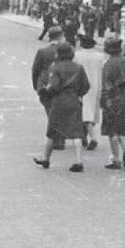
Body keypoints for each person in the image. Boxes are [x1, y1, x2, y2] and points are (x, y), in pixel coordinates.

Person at [33, 43, 91, 172]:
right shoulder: (79, 68)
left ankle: (46, 158)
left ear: (58, 54)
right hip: (74, 100)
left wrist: (46, 92)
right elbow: (86, 86)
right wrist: (78, 94)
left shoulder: (55, 67)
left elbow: (53, 86)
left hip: (59, 101)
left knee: (53, 130)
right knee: (76, 131)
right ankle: (78, 161)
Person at [99, 37, 125, 169]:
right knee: (120, 127)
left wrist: (103, 101)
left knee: (111, 130)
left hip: (112, 97)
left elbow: (106, 85)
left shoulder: (108, 65)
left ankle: (115, 158)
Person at [32, 27, 66, 150]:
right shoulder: (67, 50)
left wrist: (36, 85)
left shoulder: (42, 51)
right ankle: (60, 138)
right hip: (62, 85)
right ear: (60, 36)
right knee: (61, 112)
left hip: (46, 85)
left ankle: (56, 139)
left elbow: (35, 70)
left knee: (50, 112)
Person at [74, 34, 103, 151]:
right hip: (96, 86)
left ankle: (92, 138)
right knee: (93, 111)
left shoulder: (77, 55)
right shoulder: (100, 56)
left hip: (82, 86)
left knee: (84, 112)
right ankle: (85, 136)